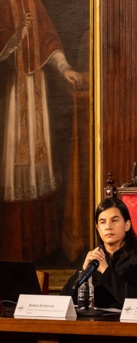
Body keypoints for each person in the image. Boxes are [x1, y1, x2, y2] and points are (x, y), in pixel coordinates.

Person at [0, 0, 87, 261]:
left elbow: (48, 38)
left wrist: (65, 69)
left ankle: (44, 246)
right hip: (14, 92)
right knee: (16, 166)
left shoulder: (33, 3)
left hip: (37, 90)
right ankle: (14, 249)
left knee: (42, 164)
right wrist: (14, 38)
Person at [61, 198, 137, 308]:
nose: (108, 227)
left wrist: (105, 270)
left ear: (127, 225)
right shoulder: (92, 260)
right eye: (102, 222)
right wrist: (83, 271)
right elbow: (63, 301)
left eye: (114, 220)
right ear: (98, 228)